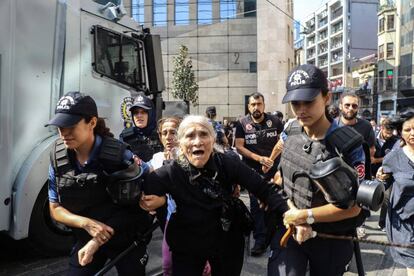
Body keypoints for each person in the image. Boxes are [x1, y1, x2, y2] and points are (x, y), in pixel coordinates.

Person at [140, 115, 290, 276]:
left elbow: (264, 188)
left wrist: (291, 214)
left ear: (212, 140)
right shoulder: (169, 172)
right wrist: (160, 202)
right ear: (180, 143)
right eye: (190, 136)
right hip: (187, 243)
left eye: (204, 134)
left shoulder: (226, 163)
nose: (198, 141)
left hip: (226, 240)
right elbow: (140, 197)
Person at [269, 64, 367, 276]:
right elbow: (281, 178)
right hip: (291, 229)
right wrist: (293, 215)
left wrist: (307, 216)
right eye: (296, 103)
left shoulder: (349, 145)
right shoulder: (290, 131)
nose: (301, 109)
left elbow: (354, 207)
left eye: (309, 101)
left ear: (327, 98)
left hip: (332, 239)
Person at [45, 91, 152, 275]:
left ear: (92, 123)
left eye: (70, 125)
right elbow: (55, 208)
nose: (64, 133)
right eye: (60, 126)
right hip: (86, 236)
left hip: (125, 235)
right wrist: (85, 223)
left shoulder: (120, 156)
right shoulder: (59, 158)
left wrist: (97, 239)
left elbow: (142, 204)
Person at [235, 92, 284, 256]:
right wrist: (259, 159)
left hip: (273, 171)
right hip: (252, 171)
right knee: (256, 206)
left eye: (259, 104)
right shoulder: (242, 123)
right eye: (253, 104)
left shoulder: (275, 121)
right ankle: (260, 240)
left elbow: (282, 142)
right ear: (249, 106)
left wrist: (269, 160)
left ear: (264, 105)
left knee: (274, 204)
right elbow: (239, 147)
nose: (256, 107)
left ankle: (274, 237)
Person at [376, 108, 414, 276]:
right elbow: (383, 184)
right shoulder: (393, 157)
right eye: (407, 129)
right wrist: (380, 178)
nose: (412, 133)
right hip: (404, 223)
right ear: (400, 132)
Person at [120, 92, 162, 162]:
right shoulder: (125, 136)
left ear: (151, 114)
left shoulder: (161, 134)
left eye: (143, 112)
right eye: (136, 112)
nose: (139, 115)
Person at [373, 118, 398, 231]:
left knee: (386, 198)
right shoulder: (371, 137)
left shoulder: (396, 141)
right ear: (381, 128)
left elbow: (393, 157)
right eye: (387, 132)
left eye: (391, 133)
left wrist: (377, 160)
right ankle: (361, 223)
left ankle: (382, 223)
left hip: (387, 174)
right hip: (370, 172)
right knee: (367, 198)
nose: (389, 135)